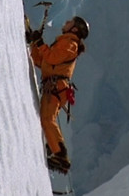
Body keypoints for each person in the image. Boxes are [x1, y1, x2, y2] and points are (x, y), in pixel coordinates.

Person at [27, 16, 89, 173]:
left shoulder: (70, 43)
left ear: (74, 29)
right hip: (55, 87)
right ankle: (53, 149)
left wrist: (39, 43)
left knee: (48, 119)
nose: (66, 22)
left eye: (70, 22)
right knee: (48, 119)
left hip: (56, 87)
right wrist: (35, 44)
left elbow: (52, 58)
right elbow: (42, 62)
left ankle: (60, 155)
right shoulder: (65, 42)